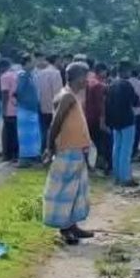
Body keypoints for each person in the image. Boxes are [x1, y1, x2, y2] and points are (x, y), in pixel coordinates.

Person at [42, 62, 94, 245]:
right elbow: (54, 124)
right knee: (65, 191)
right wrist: (49, 147)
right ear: (78, 77)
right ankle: (65, 230)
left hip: (76, 150)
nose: (87, 81)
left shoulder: (72, 96)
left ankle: (73, 226)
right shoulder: (67, 97)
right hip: (67, 151)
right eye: (85, 77)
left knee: (76, 191)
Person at [105, 60, 139, 186]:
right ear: (125, 71)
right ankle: (125, 177)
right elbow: (135, 101)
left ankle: (117, 176)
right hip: (127, 120)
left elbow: (107, 104)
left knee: (117, 148)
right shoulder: (127, 85)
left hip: (115, 121)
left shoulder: (111, 85)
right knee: (126, 149)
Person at [16, 53, 42, 167]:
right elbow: (19, 92)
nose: (34, 63)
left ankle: (31, 157)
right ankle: (25, 159)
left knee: (32, 135)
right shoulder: (23, 75)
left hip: (31, 109)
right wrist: (25, 102)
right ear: (27, 62)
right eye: (32, 61)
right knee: (26, 136)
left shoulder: (29, 75)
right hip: (26, 110)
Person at [36, 52, 63, 155]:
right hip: (53, 107)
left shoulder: (41, 73)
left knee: (43, 131)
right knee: (53, 132)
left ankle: (43, 152)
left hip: (42, 106)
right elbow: (58, 92)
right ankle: (51, 152)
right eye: (59, 60)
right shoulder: (55, 73)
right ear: (55, 61)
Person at [86, 63, 109, 173]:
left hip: (86, 115)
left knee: (90, 141)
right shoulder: (99, 85)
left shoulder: (89, 81)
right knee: (102, 141)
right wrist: (102, 120)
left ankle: (91, 164)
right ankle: (101, 163)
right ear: (101, 71)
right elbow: (101, 105)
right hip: (95, 117)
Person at [0, 58, 19, 162]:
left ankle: (8, 154)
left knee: (8, 132)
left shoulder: (4, 77)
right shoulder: (17, 75)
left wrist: (3, 109)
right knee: (16, 132)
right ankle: (16, 154)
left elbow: (5, 94)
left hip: (9, 108)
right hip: (17, 107)